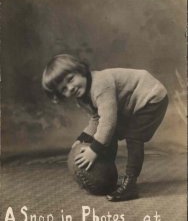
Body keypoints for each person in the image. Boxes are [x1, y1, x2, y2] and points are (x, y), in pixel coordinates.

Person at [42, 54, 168, 201]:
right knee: (109, 134)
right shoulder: (82, 98)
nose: (70, 88)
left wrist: (94, 150)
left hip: (150, 96)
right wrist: (83, 138)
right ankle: (107, 176)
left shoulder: (100, 84)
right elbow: (96, 118)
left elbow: (108, 121)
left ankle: (131, 184)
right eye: (63, 89)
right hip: (132, 103)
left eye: (70, 79)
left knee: (134, 137)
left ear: (80, 70)